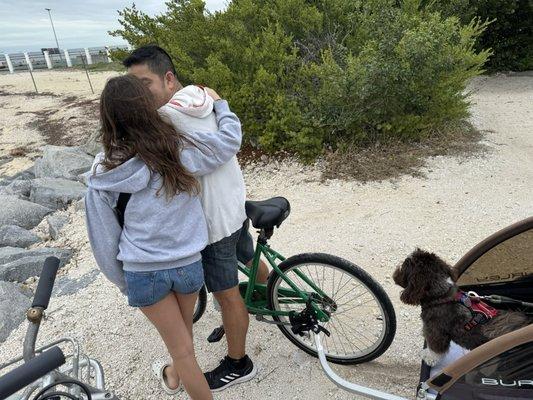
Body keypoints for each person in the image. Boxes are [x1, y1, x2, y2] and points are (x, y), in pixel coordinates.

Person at [85, 74, 242, 399]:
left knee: (182, 349)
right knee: (183, 342)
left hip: (144, 272)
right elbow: (228, 141)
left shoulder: (104, 174)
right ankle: (173, 376)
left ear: (108, 118)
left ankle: (178, 373)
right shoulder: (178, 150)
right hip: (188, 267)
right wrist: (220, 104)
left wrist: (126, 284)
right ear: (149, 108)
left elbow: (105, 244)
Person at [124, 45, 270, 391]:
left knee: (226, 294)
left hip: (211, 222)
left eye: (144, 84)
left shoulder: (166, 119)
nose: (138, 95)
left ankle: (239, 362)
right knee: (248, 254)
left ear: (168, 79)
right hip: (233, 205)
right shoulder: (199, 97)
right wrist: (222, 104)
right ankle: (269, 295)